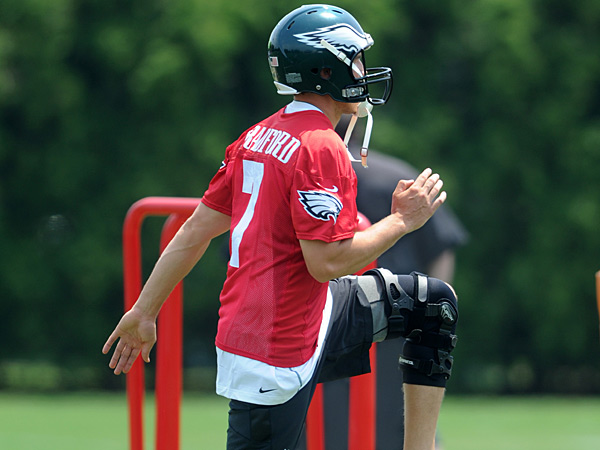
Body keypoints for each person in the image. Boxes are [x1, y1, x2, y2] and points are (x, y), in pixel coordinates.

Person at [102, 5, 459, 450]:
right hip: (275, 350)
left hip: (305, 314)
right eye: (356, 58)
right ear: (326, 69)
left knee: (430, 304)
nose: (363, 70)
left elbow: (194, 230)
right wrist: (402, 221)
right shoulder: (321, 145)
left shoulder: (255, 136)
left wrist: (144, 310)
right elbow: (326, 262)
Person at [307, 147, 468, 450]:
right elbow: (442, 247)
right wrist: (434, 317)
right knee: (405, 419)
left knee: (319, 423)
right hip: (394, 318)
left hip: (319, 321)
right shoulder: (396, 174)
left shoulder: (296, 176)